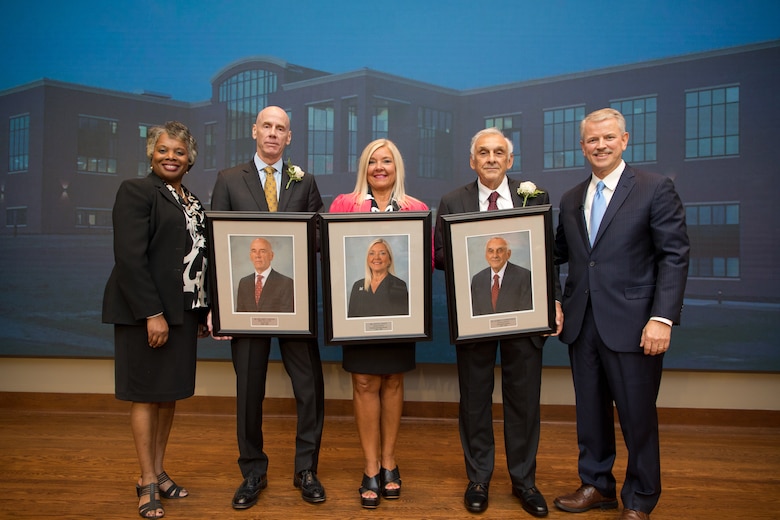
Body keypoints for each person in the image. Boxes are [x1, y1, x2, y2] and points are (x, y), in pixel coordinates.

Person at [552, 108, 689, 520]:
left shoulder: (654, 188)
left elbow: (674, 256)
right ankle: (597, 485)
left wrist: (662, 318)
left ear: (625, 140)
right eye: (592, 140)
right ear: (582, 146)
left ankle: (640, 499)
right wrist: (555, 300)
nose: (600, 145)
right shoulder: (572, 198)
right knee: (590, 414)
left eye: (608, 138)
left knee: (637, 417)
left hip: (636, 326)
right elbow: (557, 255)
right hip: (582, 325)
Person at [434, 127, 563, 517]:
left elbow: (548, 256)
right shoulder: (452, 201)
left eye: (499, 152)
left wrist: (553, 301)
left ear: (510, 160)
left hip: (525, 318)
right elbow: (441, 256)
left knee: (523, 402)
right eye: (483, 153)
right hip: (474, 319)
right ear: (472, 161)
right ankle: (479, 479)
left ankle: (524, 481)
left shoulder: (534, 196)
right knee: (474, 401)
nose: (491, 158)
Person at [210, 106, 326, 509]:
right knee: (248, 391)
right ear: (254, 131)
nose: (273, 134)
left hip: (295, 301)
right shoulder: (228, 180)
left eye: (281, 129)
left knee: (309, 388)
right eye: (267, 127)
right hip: (245, 302)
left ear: (289, 137)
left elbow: (316, 238)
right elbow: (216, 245)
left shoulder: (305, 181)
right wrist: (218, 305)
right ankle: (253, 473)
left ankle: (306, 470)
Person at [102, 121, 209, 519]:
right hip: (146, 315)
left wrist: (202, 309)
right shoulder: (136, 191)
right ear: (151, 153)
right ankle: (146, 481)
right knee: (146, 395)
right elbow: (129, 258)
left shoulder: (193, 201)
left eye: (179, 152)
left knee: (168, 395)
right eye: (164, 150)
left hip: (183, 314)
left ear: (190, 159)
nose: (171, 157)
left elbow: (200, 259)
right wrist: (153, 314)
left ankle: (160, 470)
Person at [329, 139, 428, 508]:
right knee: (365, 382)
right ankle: (370, 466)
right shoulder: (343, 205)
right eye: (373, 161)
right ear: (364, 168)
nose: (380, 167)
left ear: (397, 166)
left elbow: (423, 261)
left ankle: (390, 461)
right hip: (357, 322)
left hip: (400, 317)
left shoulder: (415, 208)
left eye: (387, 161)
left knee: (393, 381)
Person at [347, 238, 409, 318]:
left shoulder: (399, 285)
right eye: (372, 253)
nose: (376, 257)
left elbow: (403, 321)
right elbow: (351, 321)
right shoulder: (357, 286)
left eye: (382, 253)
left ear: (389, 260)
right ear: (367, 259)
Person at [471, 236, 532, 316]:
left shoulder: (525, 276)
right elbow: (475, 314)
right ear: (486, 255)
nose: (495, 255)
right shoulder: (477, 280)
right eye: (490, 251)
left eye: (500, 251)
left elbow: (527, 313)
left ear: (508, 254)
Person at [235, 237, 294, 313]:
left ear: (271, 256)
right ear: (250, 256)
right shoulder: (244, 283)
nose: (257, 255)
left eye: (262, 251)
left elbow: (288, 318)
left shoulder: (286, 283)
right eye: (254, 251)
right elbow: (240, 316)